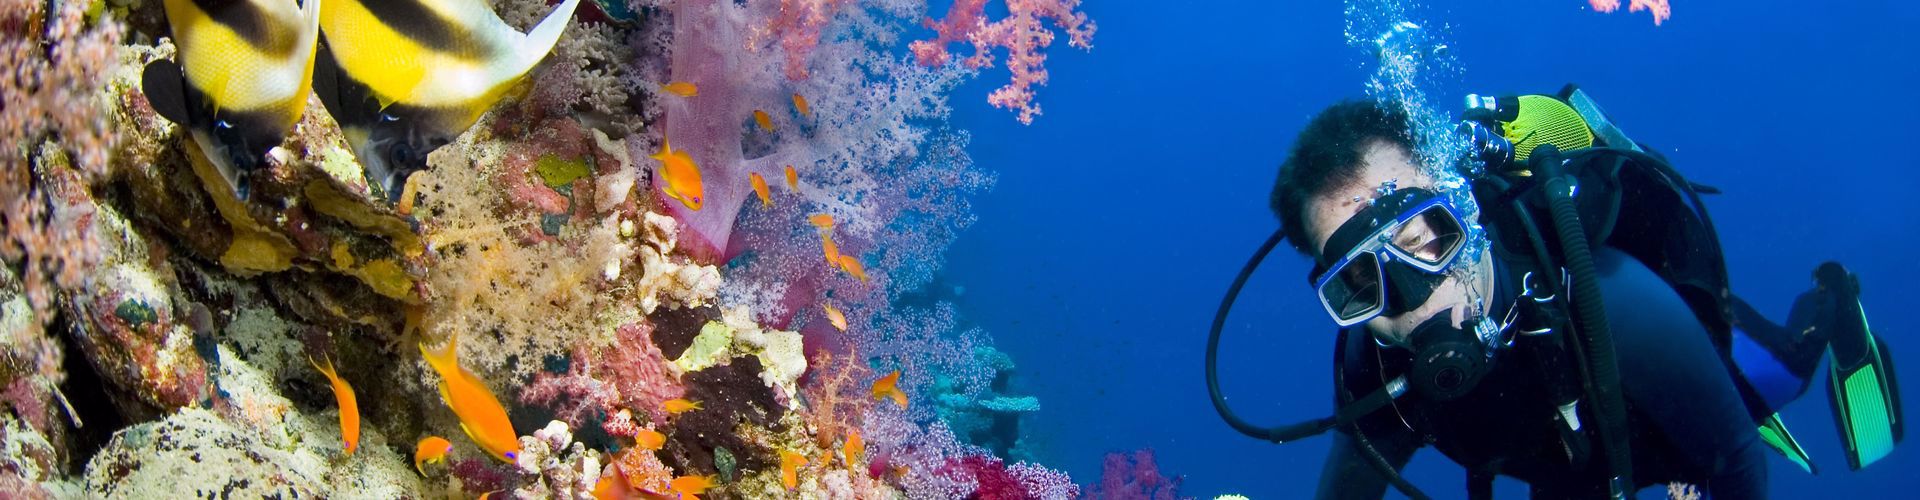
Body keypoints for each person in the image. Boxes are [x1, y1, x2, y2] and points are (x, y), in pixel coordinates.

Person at [1212, 92, 1900, 499]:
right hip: (1572, 465)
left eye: (1428, 236)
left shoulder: (1608, 301)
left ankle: (1832, 308)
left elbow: (1740, 462)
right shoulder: (1376, 372)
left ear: (1468, 214)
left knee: (1780, 377)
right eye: (1362, 280)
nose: (1413, 299)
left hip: (1667, 407)